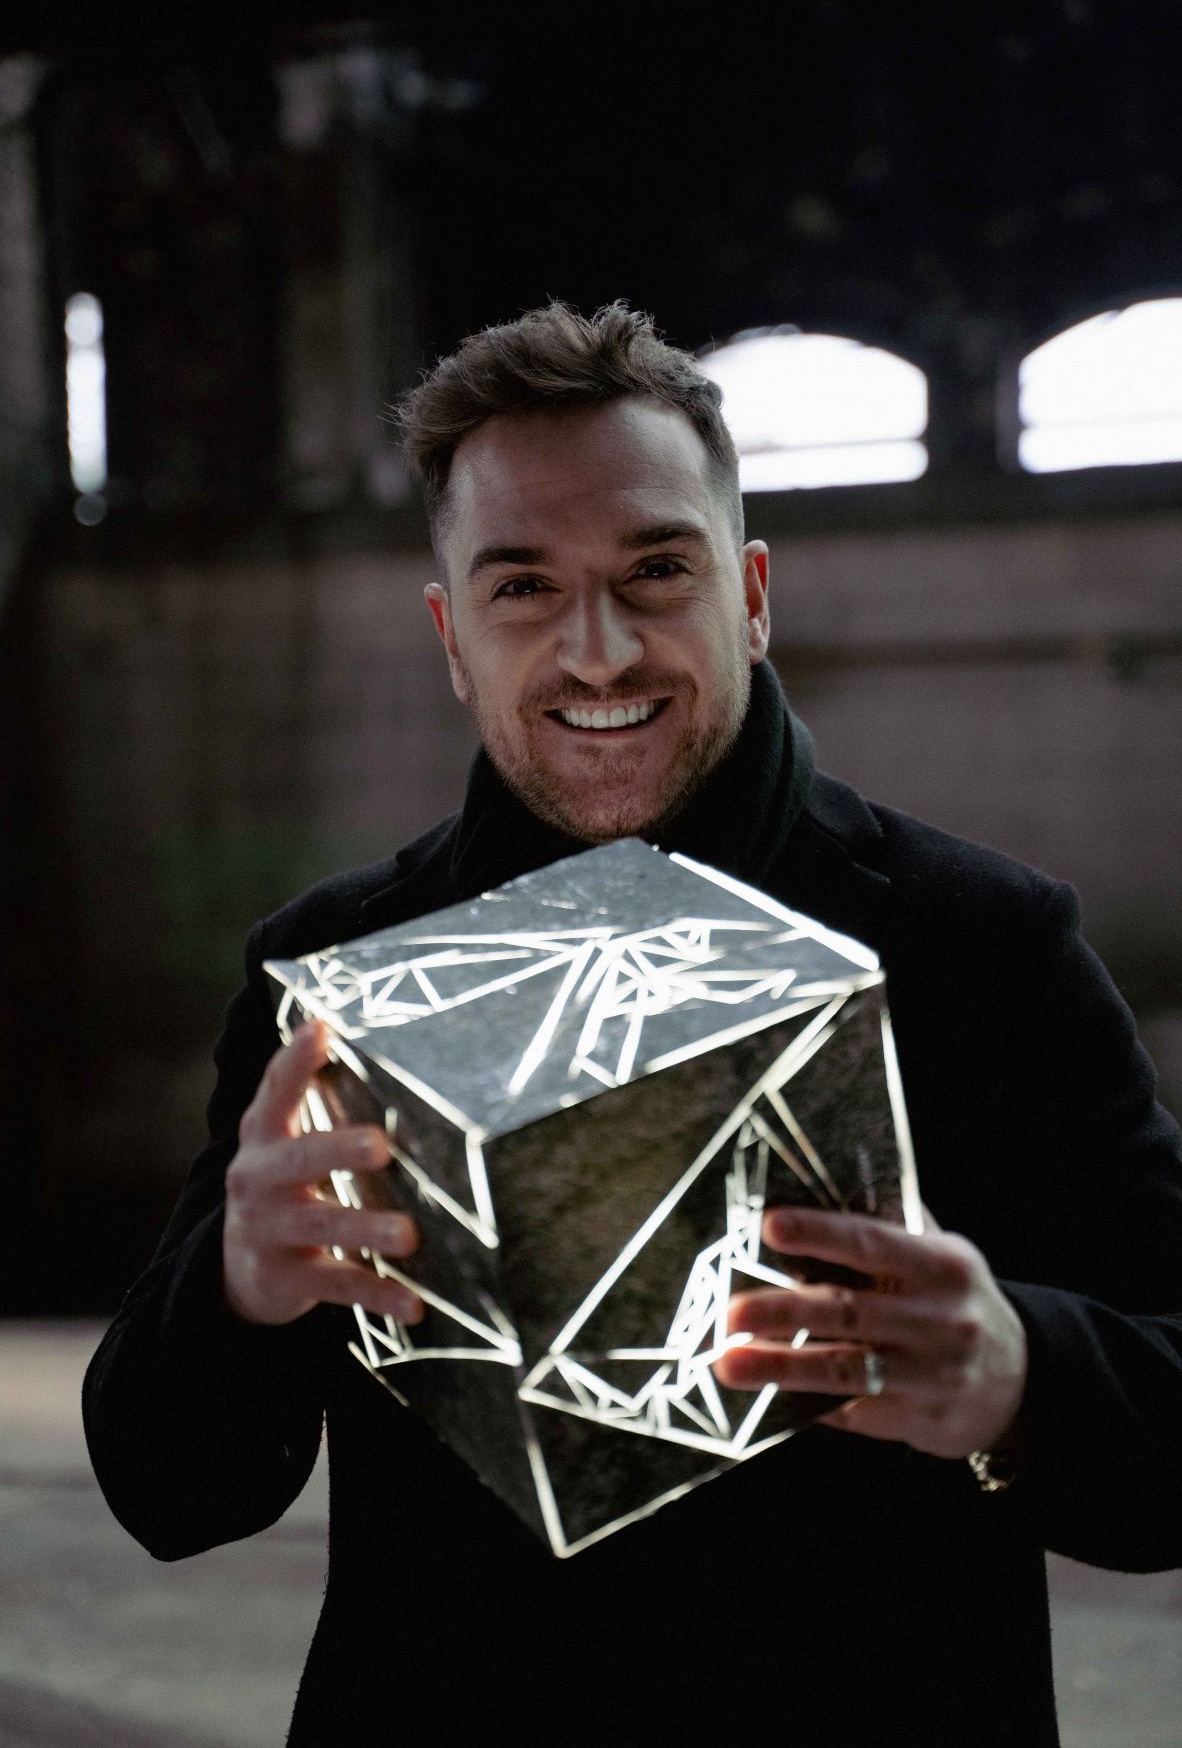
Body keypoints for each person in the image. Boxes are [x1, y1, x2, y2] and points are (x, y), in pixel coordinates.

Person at [84, 301, 1182, 1746]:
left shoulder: (979, 945)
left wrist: (1020, 1374)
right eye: (523, 587)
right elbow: (167, 1494)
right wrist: (233, 1296)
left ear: (750, 592)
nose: (597, 652)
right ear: (452, 636)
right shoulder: (333, 970)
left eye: (656, 570)